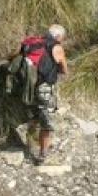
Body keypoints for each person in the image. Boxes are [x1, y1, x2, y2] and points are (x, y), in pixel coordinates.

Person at [26, 24, 68, 164]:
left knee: (34, 115)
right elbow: (64, 69)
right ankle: (42, 153)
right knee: (46, 121)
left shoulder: (35, 43)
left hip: (29, 87)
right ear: (57, 36)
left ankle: (29, 143)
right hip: (44, 88)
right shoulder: (56, 47)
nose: (62, 41)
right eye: (62, 38)